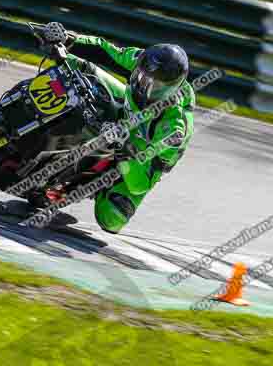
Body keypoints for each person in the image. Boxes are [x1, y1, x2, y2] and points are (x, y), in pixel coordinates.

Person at [38, 22, 195, 233]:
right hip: (127, 108)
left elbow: (142, 183)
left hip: (143, 152)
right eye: (141, 76)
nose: (143, 85)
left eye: (154, 86)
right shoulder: (143, 60)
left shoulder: (173, 127)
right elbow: (105, 49)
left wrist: (125, 148)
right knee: (78, 69)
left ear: (171, 90)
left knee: (111, 219)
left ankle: (100, 182)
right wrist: (67, 40)